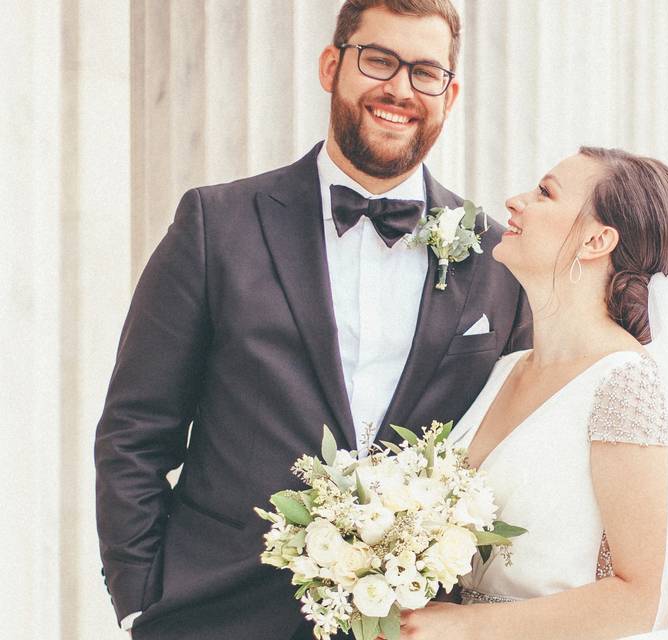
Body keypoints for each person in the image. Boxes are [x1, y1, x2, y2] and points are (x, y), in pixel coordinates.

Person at [94, 2, 530, 639]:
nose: (399, 89)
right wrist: (140, 601)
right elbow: (135, 430)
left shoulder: (498, 258)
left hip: (415, 622)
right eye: (378, 60)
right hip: (218, 614)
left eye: (425, 72)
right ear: (332, 65)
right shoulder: (217, 224)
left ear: (450, 92)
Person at [401, 148, 668, 639]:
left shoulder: (624, 384)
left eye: (544, 192)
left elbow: (640, 599)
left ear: (596, 240)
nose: (514, 201)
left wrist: (468, 625)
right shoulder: (505, 370)